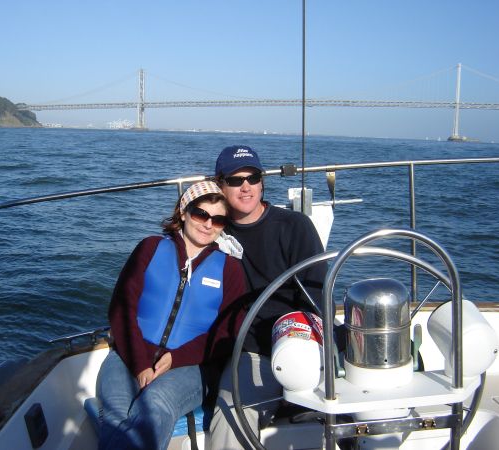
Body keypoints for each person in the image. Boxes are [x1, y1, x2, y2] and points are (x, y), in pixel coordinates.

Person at [96, 180, 247, 450]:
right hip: (128, 354)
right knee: (116, 415)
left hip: (193, 367)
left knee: (156, 404)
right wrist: (140, 363)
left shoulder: (230, 269)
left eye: (218, 220)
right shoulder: (150, 248)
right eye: (200, 214)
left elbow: (228, 332)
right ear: (183, 213)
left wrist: (177, 358)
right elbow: (122, 307)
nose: (208, 224)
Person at [209, 145, 328, 449]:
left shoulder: (295, 226)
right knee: (230, 416)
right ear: (220, 186)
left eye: (253, 177)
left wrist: (300, 352)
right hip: (249, 353)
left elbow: (316, 299)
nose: (246, 186)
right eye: (235, 180)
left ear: (262, 182)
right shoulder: (211, 232)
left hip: (302, 343)